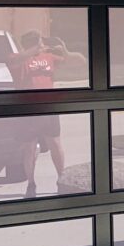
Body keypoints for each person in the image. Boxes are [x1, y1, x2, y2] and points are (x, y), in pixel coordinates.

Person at [6, 31, 85, 198]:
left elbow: (80, 61)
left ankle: (62, 179)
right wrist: (36, 48)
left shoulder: (49, 57)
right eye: (38, 41)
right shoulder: (17, 57)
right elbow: (16, 59)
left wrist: (65, 50)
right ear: (30, 43)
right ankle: (31, 183)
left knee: (55, 144)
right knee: (29, 147)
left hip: (48, 107)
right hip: (28, 109)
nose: (42, 44)